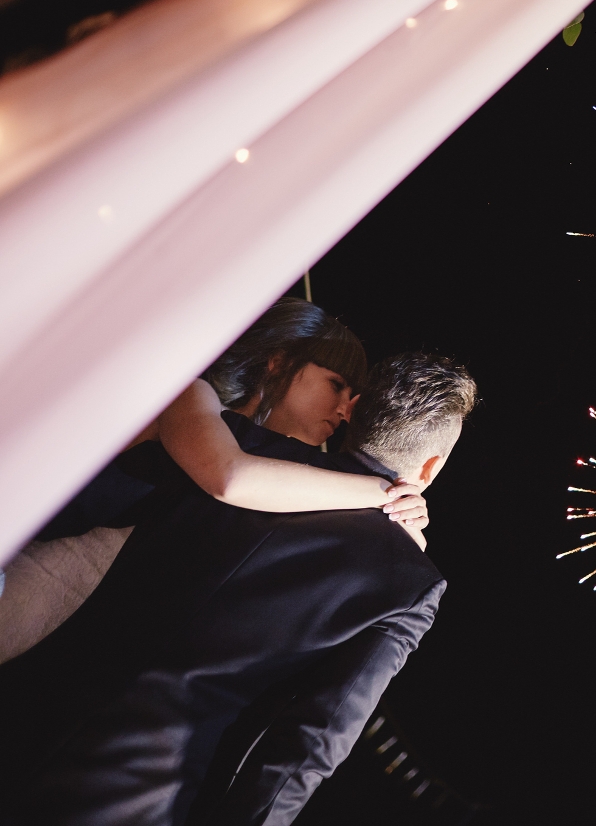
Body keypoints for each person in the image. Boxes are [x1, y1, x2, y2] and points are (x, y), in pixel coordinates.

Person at [0, 352, 475, 826]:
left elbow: (88, 501)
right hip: (140, 797)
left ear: (353, 411)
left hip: (24, 707)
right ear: (431, 468)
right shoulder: (409, 583)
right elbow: (311, 745)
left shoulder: (233, 441)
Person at [0, 298, 428, 664]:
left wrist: (402, 523)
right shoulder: (192, 395)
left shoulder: (276, 469)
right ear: (279, 362)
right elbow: (230, 476)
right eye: (335, 384)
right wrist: (381, 494)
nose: (343, 409)